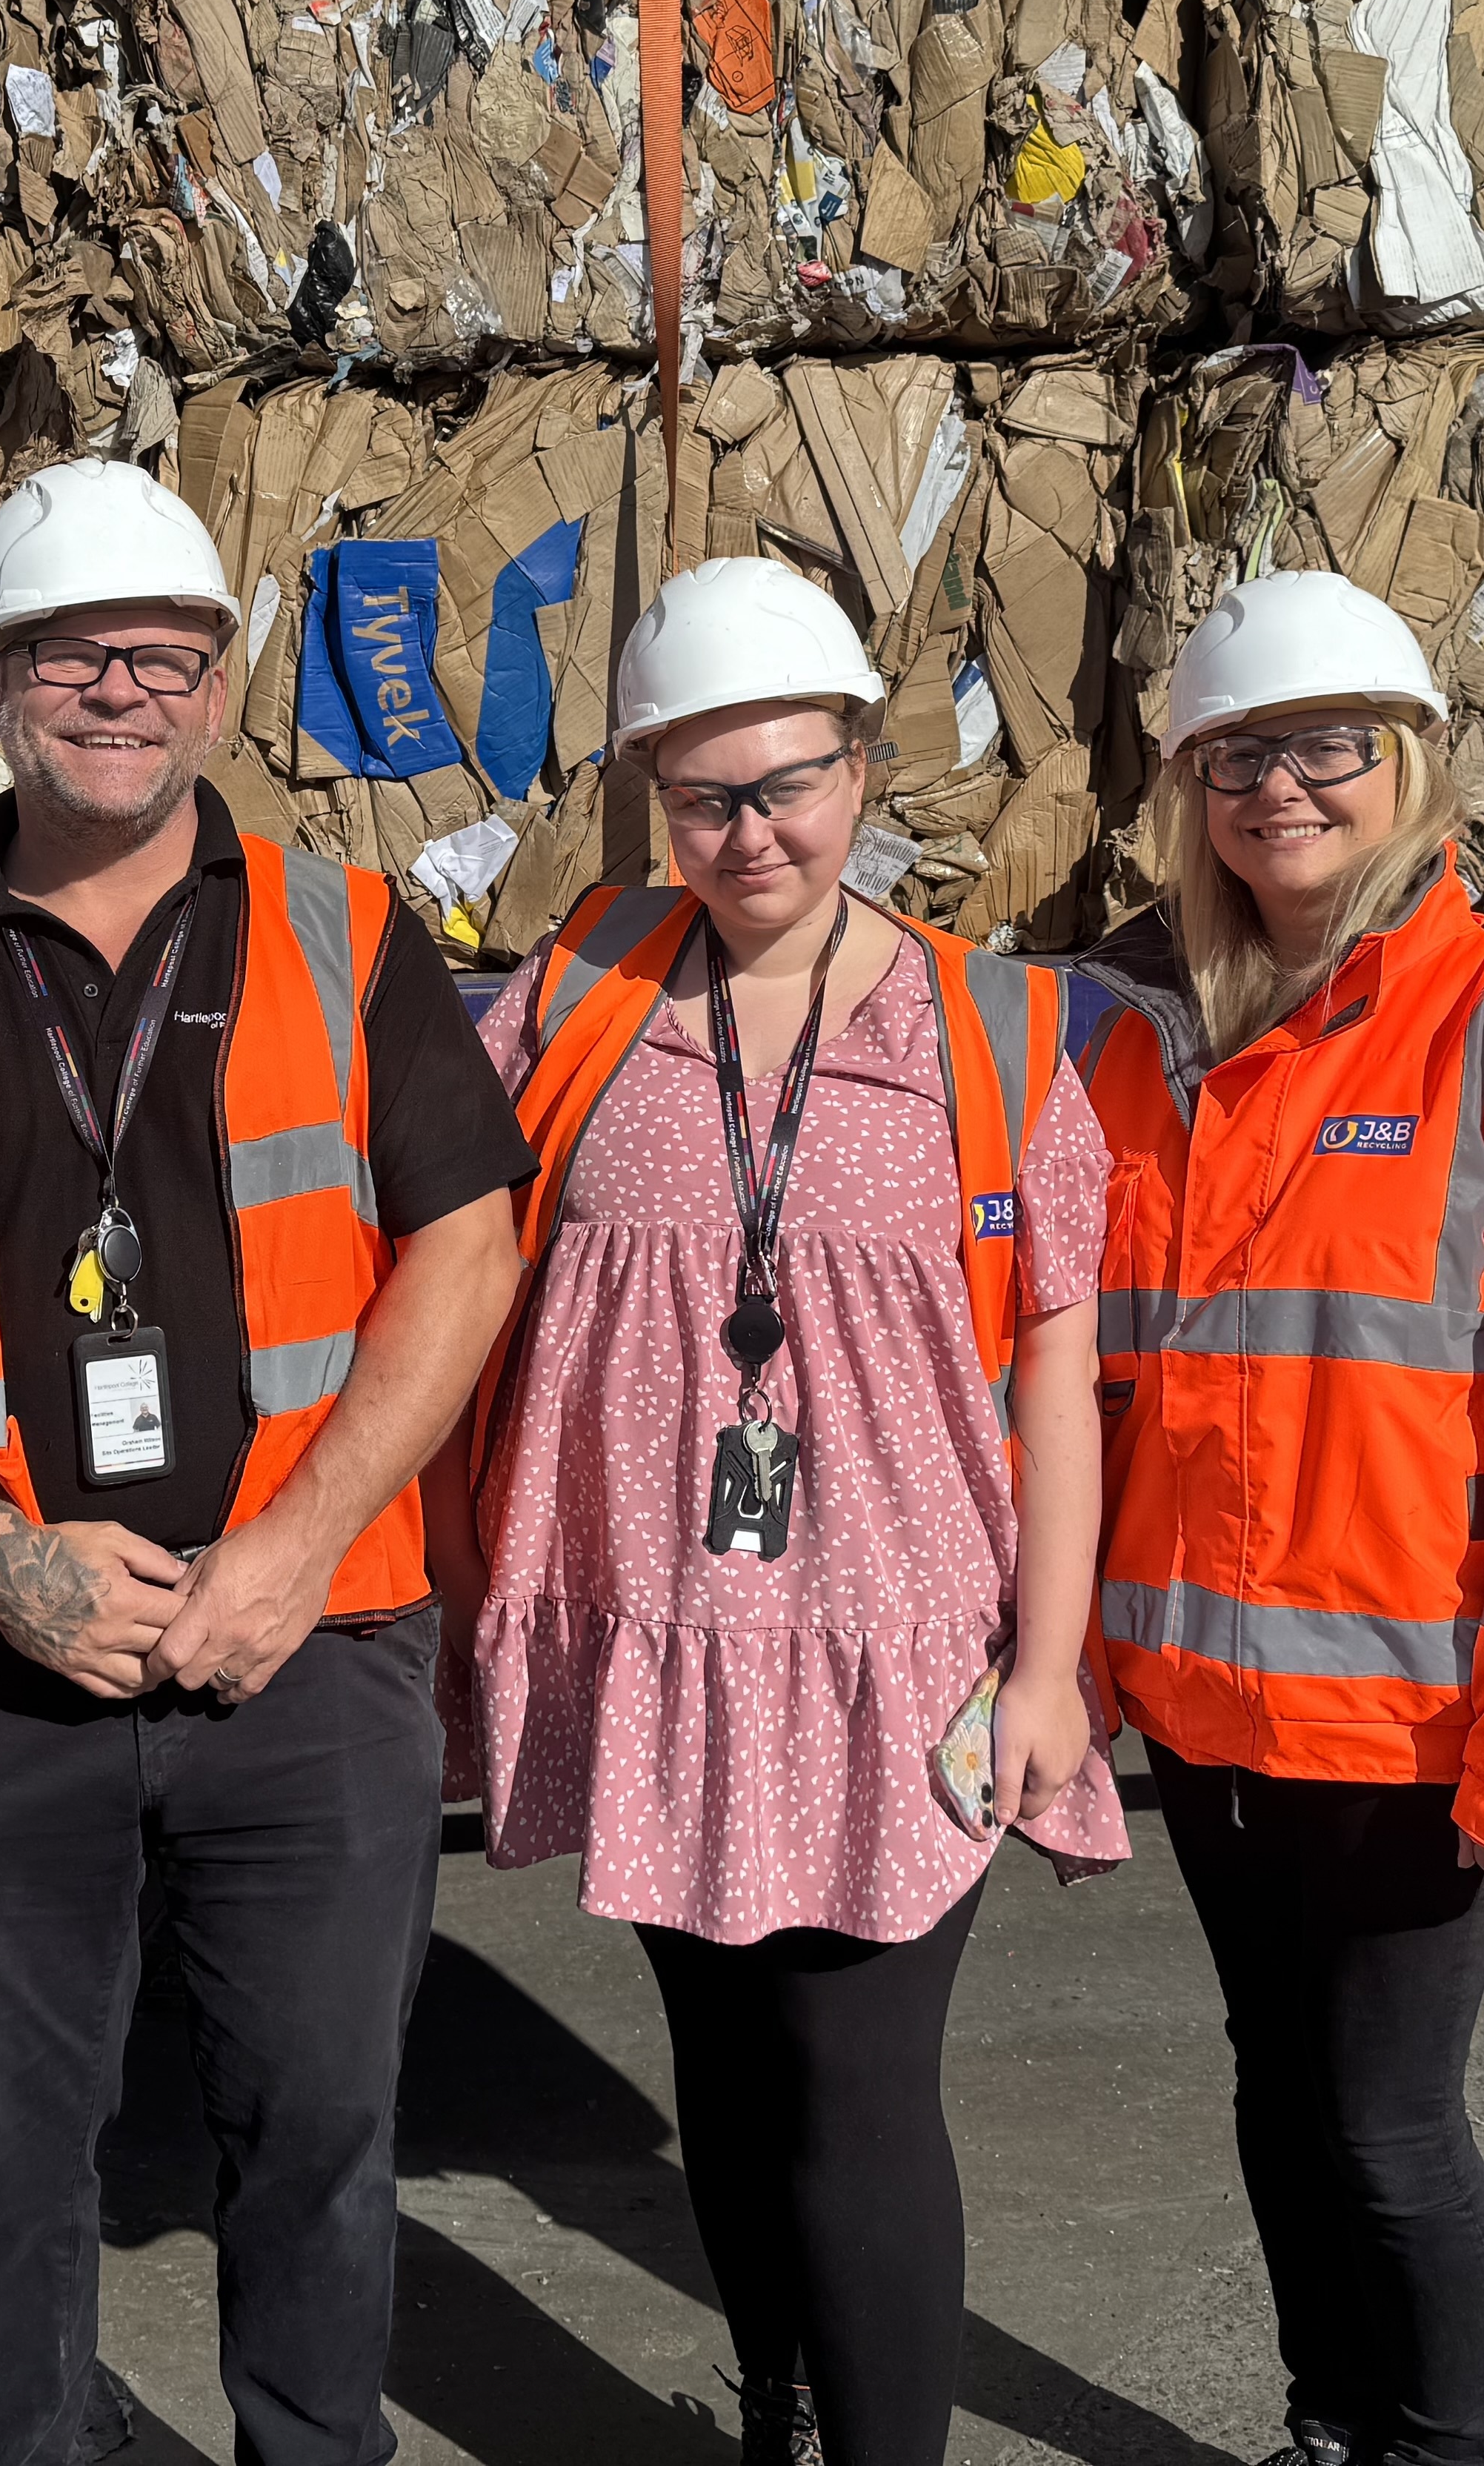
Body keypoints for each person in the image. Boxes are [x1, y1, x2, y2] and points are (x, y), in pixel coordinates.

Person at [0, 457, 532, 2466]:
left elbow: (469, 1239)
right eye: (76, 651)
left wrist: (299, 1542)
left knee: (322, 2154)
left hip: (308, 1642)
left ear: (222, 680)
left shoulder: (349, 934)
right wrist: (6, 1564)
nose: (123, 688)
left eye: (164, 652)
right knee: (1, 2179)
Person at [444, 555, 1127, 2466]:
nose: (753, 834)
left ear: (866, 766)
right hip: (654, 1634)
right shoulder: (574, 1004)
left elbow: (1056, 1368)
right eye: (706, 796)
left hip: (899, 1648)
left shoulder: (986, 1034)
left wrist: (1051, 1664)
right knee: (729, 2079)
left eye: (794, 784)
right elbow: (442, 1271)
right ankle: (783, 2414)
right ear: (656, 796)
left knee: (856, 2078)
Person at [1077, 569, 1484, 2466]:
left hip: (1413, 1725)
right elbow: (1090, 1383)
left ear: (1410, 765)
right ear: (1191, 787)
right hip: (1208, 1716)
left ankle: (1438, 2453)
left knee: (1386, 2124)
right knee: (1281, 2097)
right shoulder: (1140, 1039)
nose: (1285, 788)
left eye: (1330, 746)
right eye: (1239, 754)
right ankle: (1333, 2428)